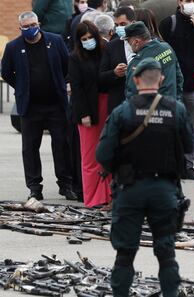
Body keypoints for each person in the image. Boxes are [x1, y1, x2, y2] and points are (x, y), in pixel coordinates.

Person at [96, 57, 194, 297]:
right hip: (165, 188)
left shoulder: (123, 111)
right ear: (161, 79)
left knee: (125, 253)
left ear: (136, 79)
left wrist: (117, 168)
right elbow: (189, 145)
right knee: (166, 252)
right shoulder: (176, 110)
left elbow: (103, 154)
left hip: (130, 189)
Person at [1, 11, 77, 201]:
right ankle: (35, 187)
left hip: (56, 105)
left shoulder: (55, 41)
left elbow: (67, 65)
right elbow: (6, 72)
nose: (30, 29)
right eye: (26, 27)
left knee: (61, 145)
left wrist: (64, 84)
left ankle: (65, 184)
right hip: (30, 107)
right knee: (30, 148)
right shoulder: (13, 47)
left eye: (33, 25)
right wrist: (21, 87)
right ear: (20, 29)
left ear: (39, 23)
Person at [159, 0, 194, 180]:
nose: (191, 4)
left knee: (192, 128)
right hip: (173, 86)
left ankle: (188, 165)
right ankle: (173, 164)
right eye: (187, 0)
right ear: (180, 2)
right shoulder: (169, 23)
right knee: (172, 126)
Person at [68, 20, 112, 208]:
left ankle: (109, 196)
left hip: (106, 104)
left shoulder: (106, 51)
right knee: (89, 156)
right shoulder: (75, 58)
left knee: (108, 152)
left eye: (90, 37)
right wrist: (84, 114)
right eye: (84, 39)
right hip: (87, 109)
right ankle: (93, 198)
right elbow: (76, 88)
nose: (88, 41)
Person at [123, 22, 184, 103]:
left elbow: (132, 93)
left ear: (136, 42)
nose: (128, 44)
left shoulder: (137, 62)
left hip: (149, 112)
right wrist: (177, 101)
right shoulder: (166, 47)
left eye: (128, 41)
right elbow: (179, 78)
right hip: (171, 106)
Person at [100, 6, 135, 114]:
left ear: (133, 23)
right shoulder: (111, 46)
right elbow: (101, 75)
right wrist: (114, 73)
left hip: (140, 103)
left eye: (123, 24)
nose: (119, 28)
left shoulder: (144, 44)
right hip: (118, 104)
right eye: (117, 25)